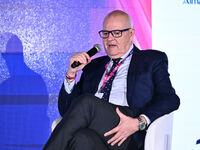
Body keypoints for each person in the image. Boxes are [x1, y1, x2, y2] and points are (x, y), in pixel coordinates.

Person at [43, 10, 180, 150]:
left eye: (117, 33)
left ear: (131, 34)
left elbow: (170, 99)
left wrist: (139, 122)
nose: (110, 38)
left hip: (127, 131)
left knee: (87, 102)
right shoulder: (93, 66)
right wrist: (71, 74)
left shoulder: (151, 60)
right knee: (81, 138)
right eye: (106, 33)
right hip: (95, 133)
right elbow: (67, 112)